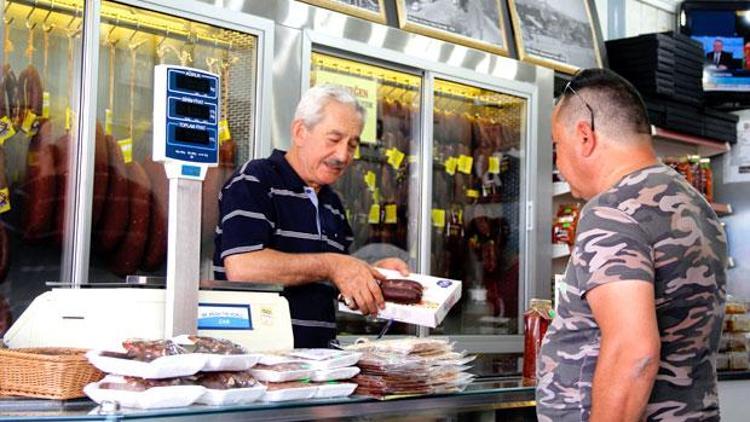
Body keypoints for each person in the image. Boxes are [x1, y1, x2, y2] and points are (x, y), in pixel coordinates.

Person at [537, 69, 727, 421]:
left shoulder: (614, 209)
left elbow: (634, 353)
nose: (559, 164)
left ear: (584, 136)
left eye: (556, 146)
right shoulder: (695, 203)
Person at [213, 85, 409, 348]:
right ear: (300, 132)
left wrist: (371, 274)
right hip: (257, 366)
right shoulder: (256, 179)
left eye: (352, 144)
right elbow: (243, 267)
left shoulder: (332, 203)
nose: (343, 155)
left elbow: (330, 278)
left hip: (318, 368)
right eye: (334, 139)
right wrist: (332, 265)